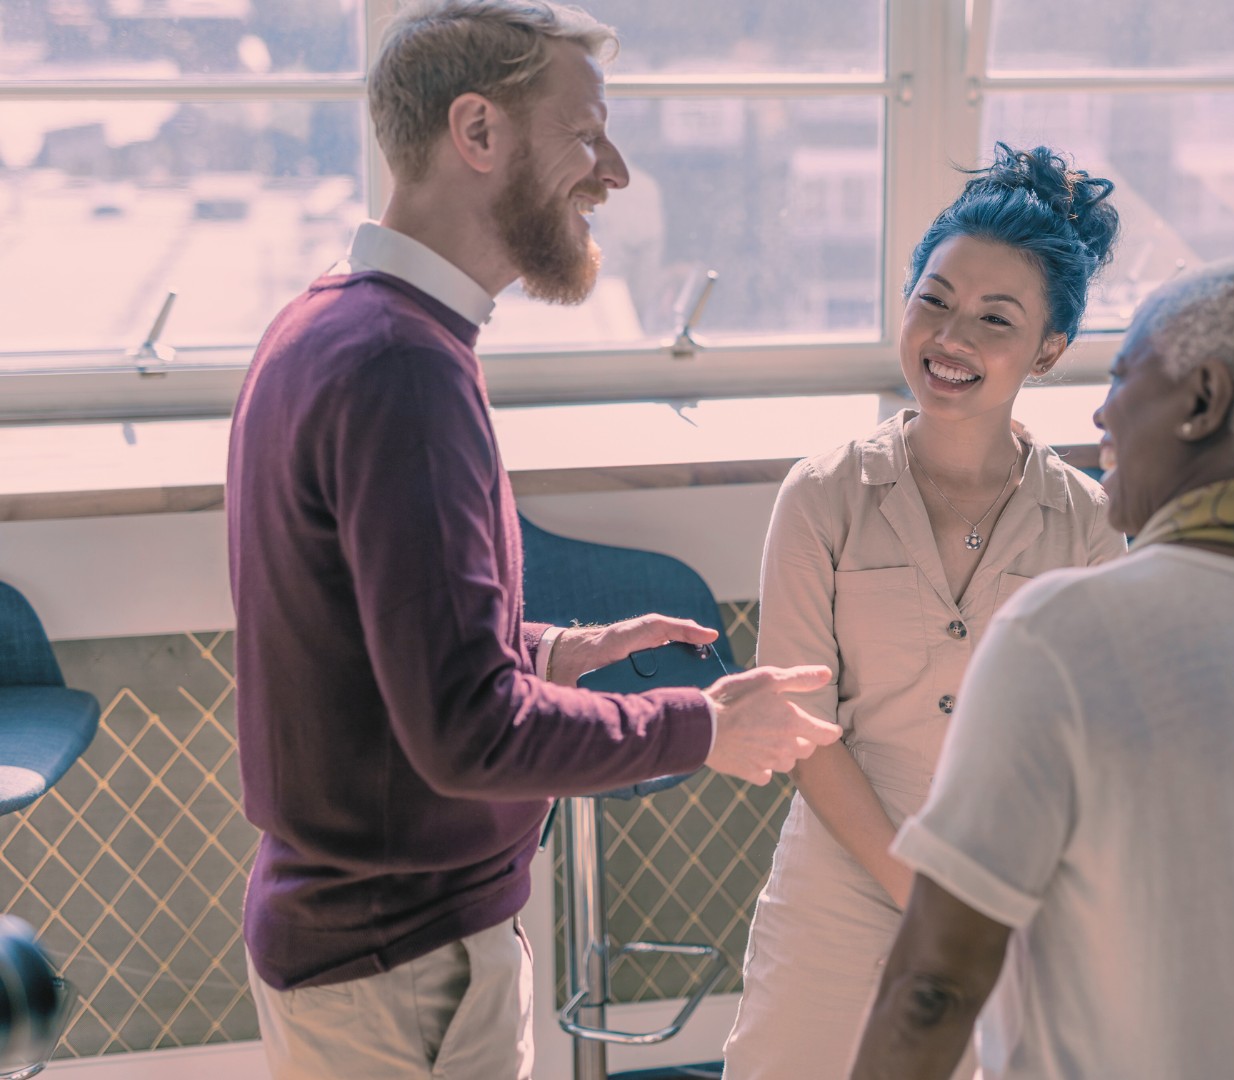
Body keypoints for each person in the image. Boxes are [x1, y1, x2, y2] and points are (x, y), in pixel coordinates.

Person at [225, 2, 841, 1076]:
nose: (615, 173)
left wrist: (547, 652)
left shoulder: (331, 327)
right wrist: (702, 729)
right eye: (586, 132)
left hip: (358, 950)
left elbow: (370, 645)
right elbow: (466, 735)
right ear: (477, 133)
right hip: (403, 973)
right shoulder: (401, 371)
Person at [849, 260, 1234, 1080]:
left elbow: (936, 984)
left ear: (1202, 400)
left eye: (1125, 375)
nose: (1101, 410)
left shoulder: (1063, 635)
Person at [721, 145, 1128, 1080]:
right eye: (934, 300)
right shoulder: (821, 495)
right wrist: (921, 892)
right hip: (839, 882)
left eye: (996, 319)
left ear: (1048, 350)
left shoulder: (1093, 526)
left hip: (1017, 899)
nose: (953, 338)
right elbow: (802, 732)